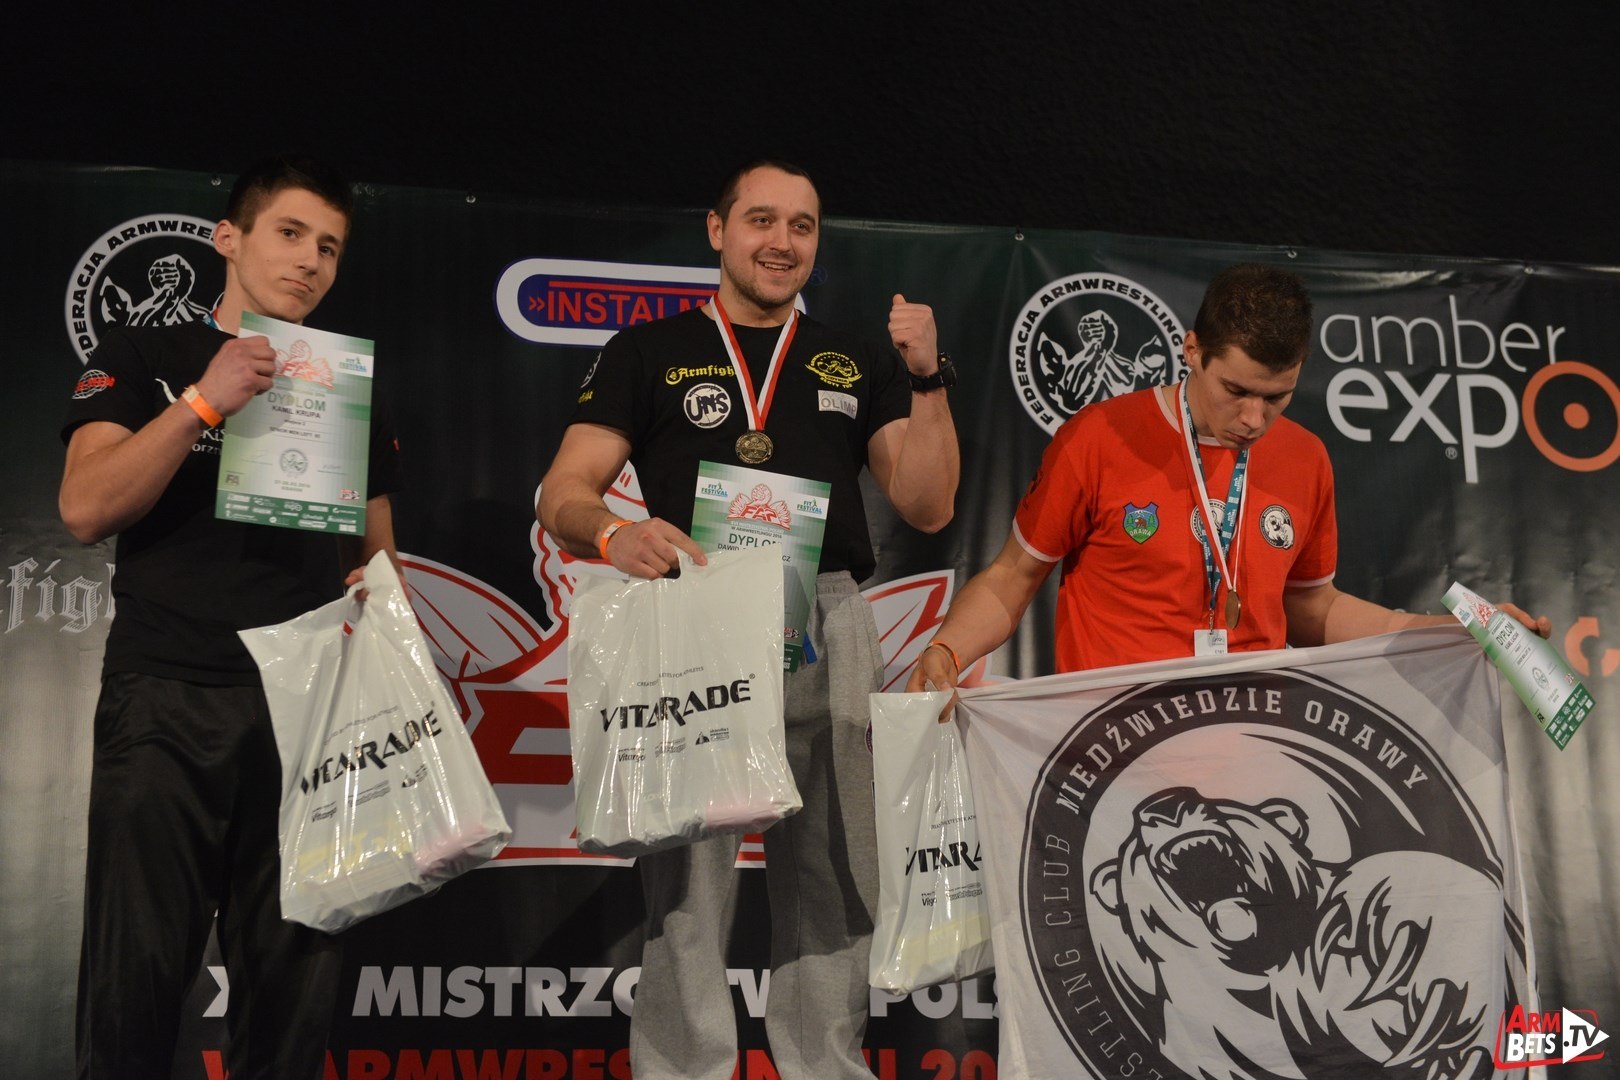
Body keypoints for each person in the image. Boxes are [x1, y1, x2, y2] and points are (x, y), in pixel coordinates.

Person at [537, 160, 960, 1079]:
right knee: (688, 888)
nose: (782, 242)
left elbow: (927, 504)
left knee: (836, 879)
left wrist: (928, 379)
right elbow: (563, 490)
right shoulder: (647, 350)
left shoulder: (857, 359)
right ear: (717, 229)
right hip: (697, 622)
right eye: (761, 220)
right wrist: (611, 532)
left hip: (826, 617)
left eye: (801, 226)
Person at [59, 155, 400, 1079]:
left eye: (329, 246)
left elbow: (376, 559)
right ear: (229, 239)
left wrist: (379, 615)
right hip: (168, 697)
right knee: (135, 981)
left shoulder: (348, 381)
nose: (310, 260)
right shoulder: (144, 354)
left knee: (296, 991)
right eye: (289, 233)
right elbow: (85, 508)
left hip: (308, 712)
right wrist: (204, 401)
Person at [908, 263, 1547, 692]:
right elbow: (1012, 579)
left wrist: (1457, 630)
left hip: (1254, 748)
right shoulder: (1099, 438)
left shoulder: (1306, 457)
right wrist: (946, 651)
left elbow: (1314, 609)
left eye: (1277, 397)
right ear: (1192, 351)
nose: (1253, 419)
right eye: (1236, 390)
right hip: (1109, 748)